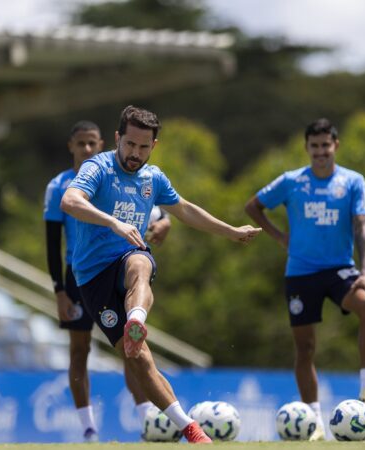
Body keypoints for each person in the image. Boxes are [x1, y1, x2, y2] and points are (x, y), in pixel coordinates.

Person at [61, 105, 261, 444]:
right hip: (91, 277)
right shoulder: (99, 167)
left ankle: (136, 318)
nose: (135, 154)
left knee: (140, 262)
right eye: (129, 145)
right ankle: (187, 424)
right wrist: (113, 222)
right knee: (138, 358)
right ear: (117, 138)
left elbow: (184, 209)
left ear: (154, 145)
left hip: (128, 259)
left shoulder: (153, 179)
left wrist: (230, 231)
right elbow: (70, 199)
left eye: (143, 147)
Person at [244, 118, 365, 441]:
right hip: (301, 272)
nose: (321, 152)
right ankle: (314, 422)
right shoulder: (292, 181)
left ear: (335, 145)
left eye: (326, 145)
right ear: (307, 148)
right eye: (315, 146)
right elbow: (253, 206)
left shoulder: (353, 182)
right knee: (305, 348)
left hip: (341, 269)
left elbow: (362, 226)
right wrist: (280, 237)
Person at [44, 120, 172, 442]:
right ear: (71, 146)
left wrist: (166, 223)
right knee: (79, 351)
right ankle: (88, 429)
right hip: (79, 277)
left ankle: (149, 422)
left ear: (102, 144)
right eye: (81, 143)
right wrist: (59, 289)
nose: (87, 148)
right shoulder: (60, 186)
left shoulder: (115, 175)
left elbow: (156, 210)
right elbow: (51, 241)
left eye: (92, 143)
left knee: (131, 347)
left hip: (114, 267)